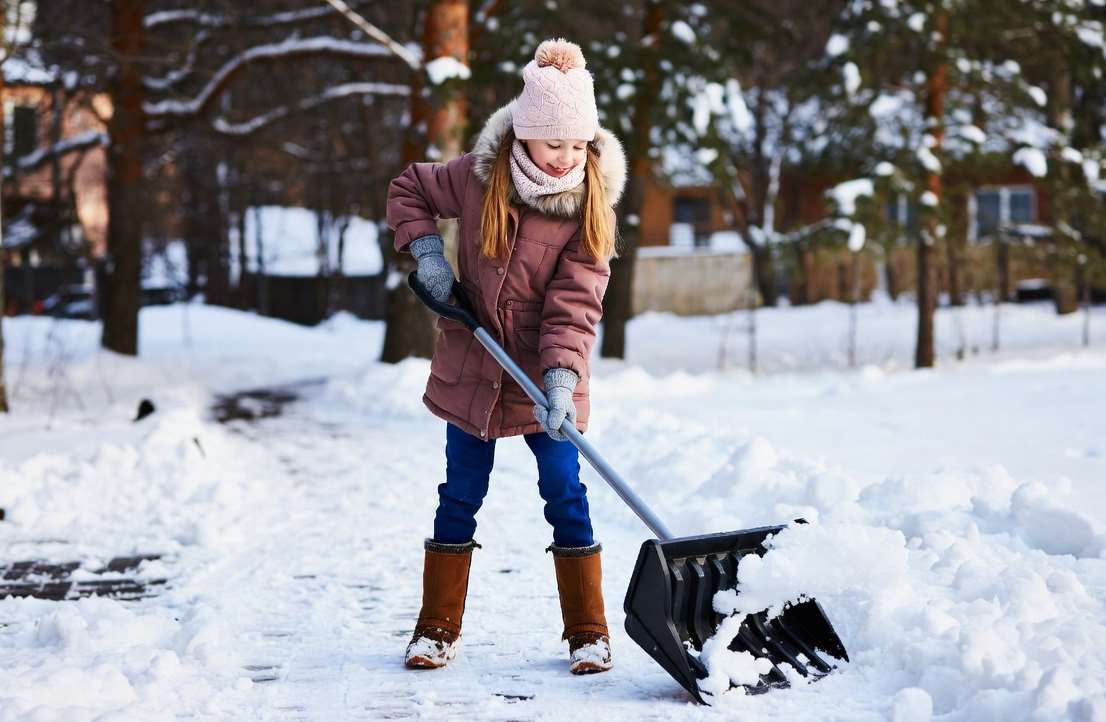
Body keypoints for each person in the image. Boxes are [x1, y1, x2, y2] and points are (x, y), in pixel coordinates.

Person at [385, 37, 626, 675]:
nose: (567, 157)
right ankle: (436, 628)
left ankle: (588, 633)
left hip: (548, 375)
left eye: (580, 145)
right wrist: (430, 254)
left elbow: (576, 306)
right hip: (473, 365)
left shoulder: (589, 209)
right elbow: (409, 188)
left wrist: (558, 379)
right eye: (555, 144)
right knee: (460, 492)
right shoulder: (477, 177)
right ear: (523, 135)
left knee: (565, 492)